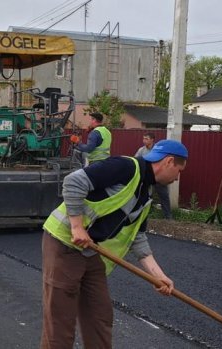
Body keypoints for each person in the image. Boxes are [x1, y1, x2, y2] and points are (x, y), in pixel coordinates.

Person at [41, 139, 188, 349]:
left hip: (91, 252)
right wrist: (76, 226)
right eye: (179, 170)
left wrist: (158, 276)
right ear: (169, 161)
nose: (177, 178)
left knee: (99, 316)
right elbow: (74, 181)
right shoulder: (125, 167)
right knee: (61, 321)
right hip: (64, 244)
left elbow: (138, 237)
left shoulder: (145, 192)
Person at [134, 132, 172, 219]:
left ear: (152, 140)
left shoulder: (158, 150)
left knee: (163, 196)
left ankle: (168, 217)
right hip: (147, 177)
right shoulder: (141, 150)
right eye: (143, 139)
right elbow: (136, 160)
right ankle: (147, 215)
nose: (144, 141)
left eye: (146, 139)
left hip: (158, 176)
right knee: (147, 195)